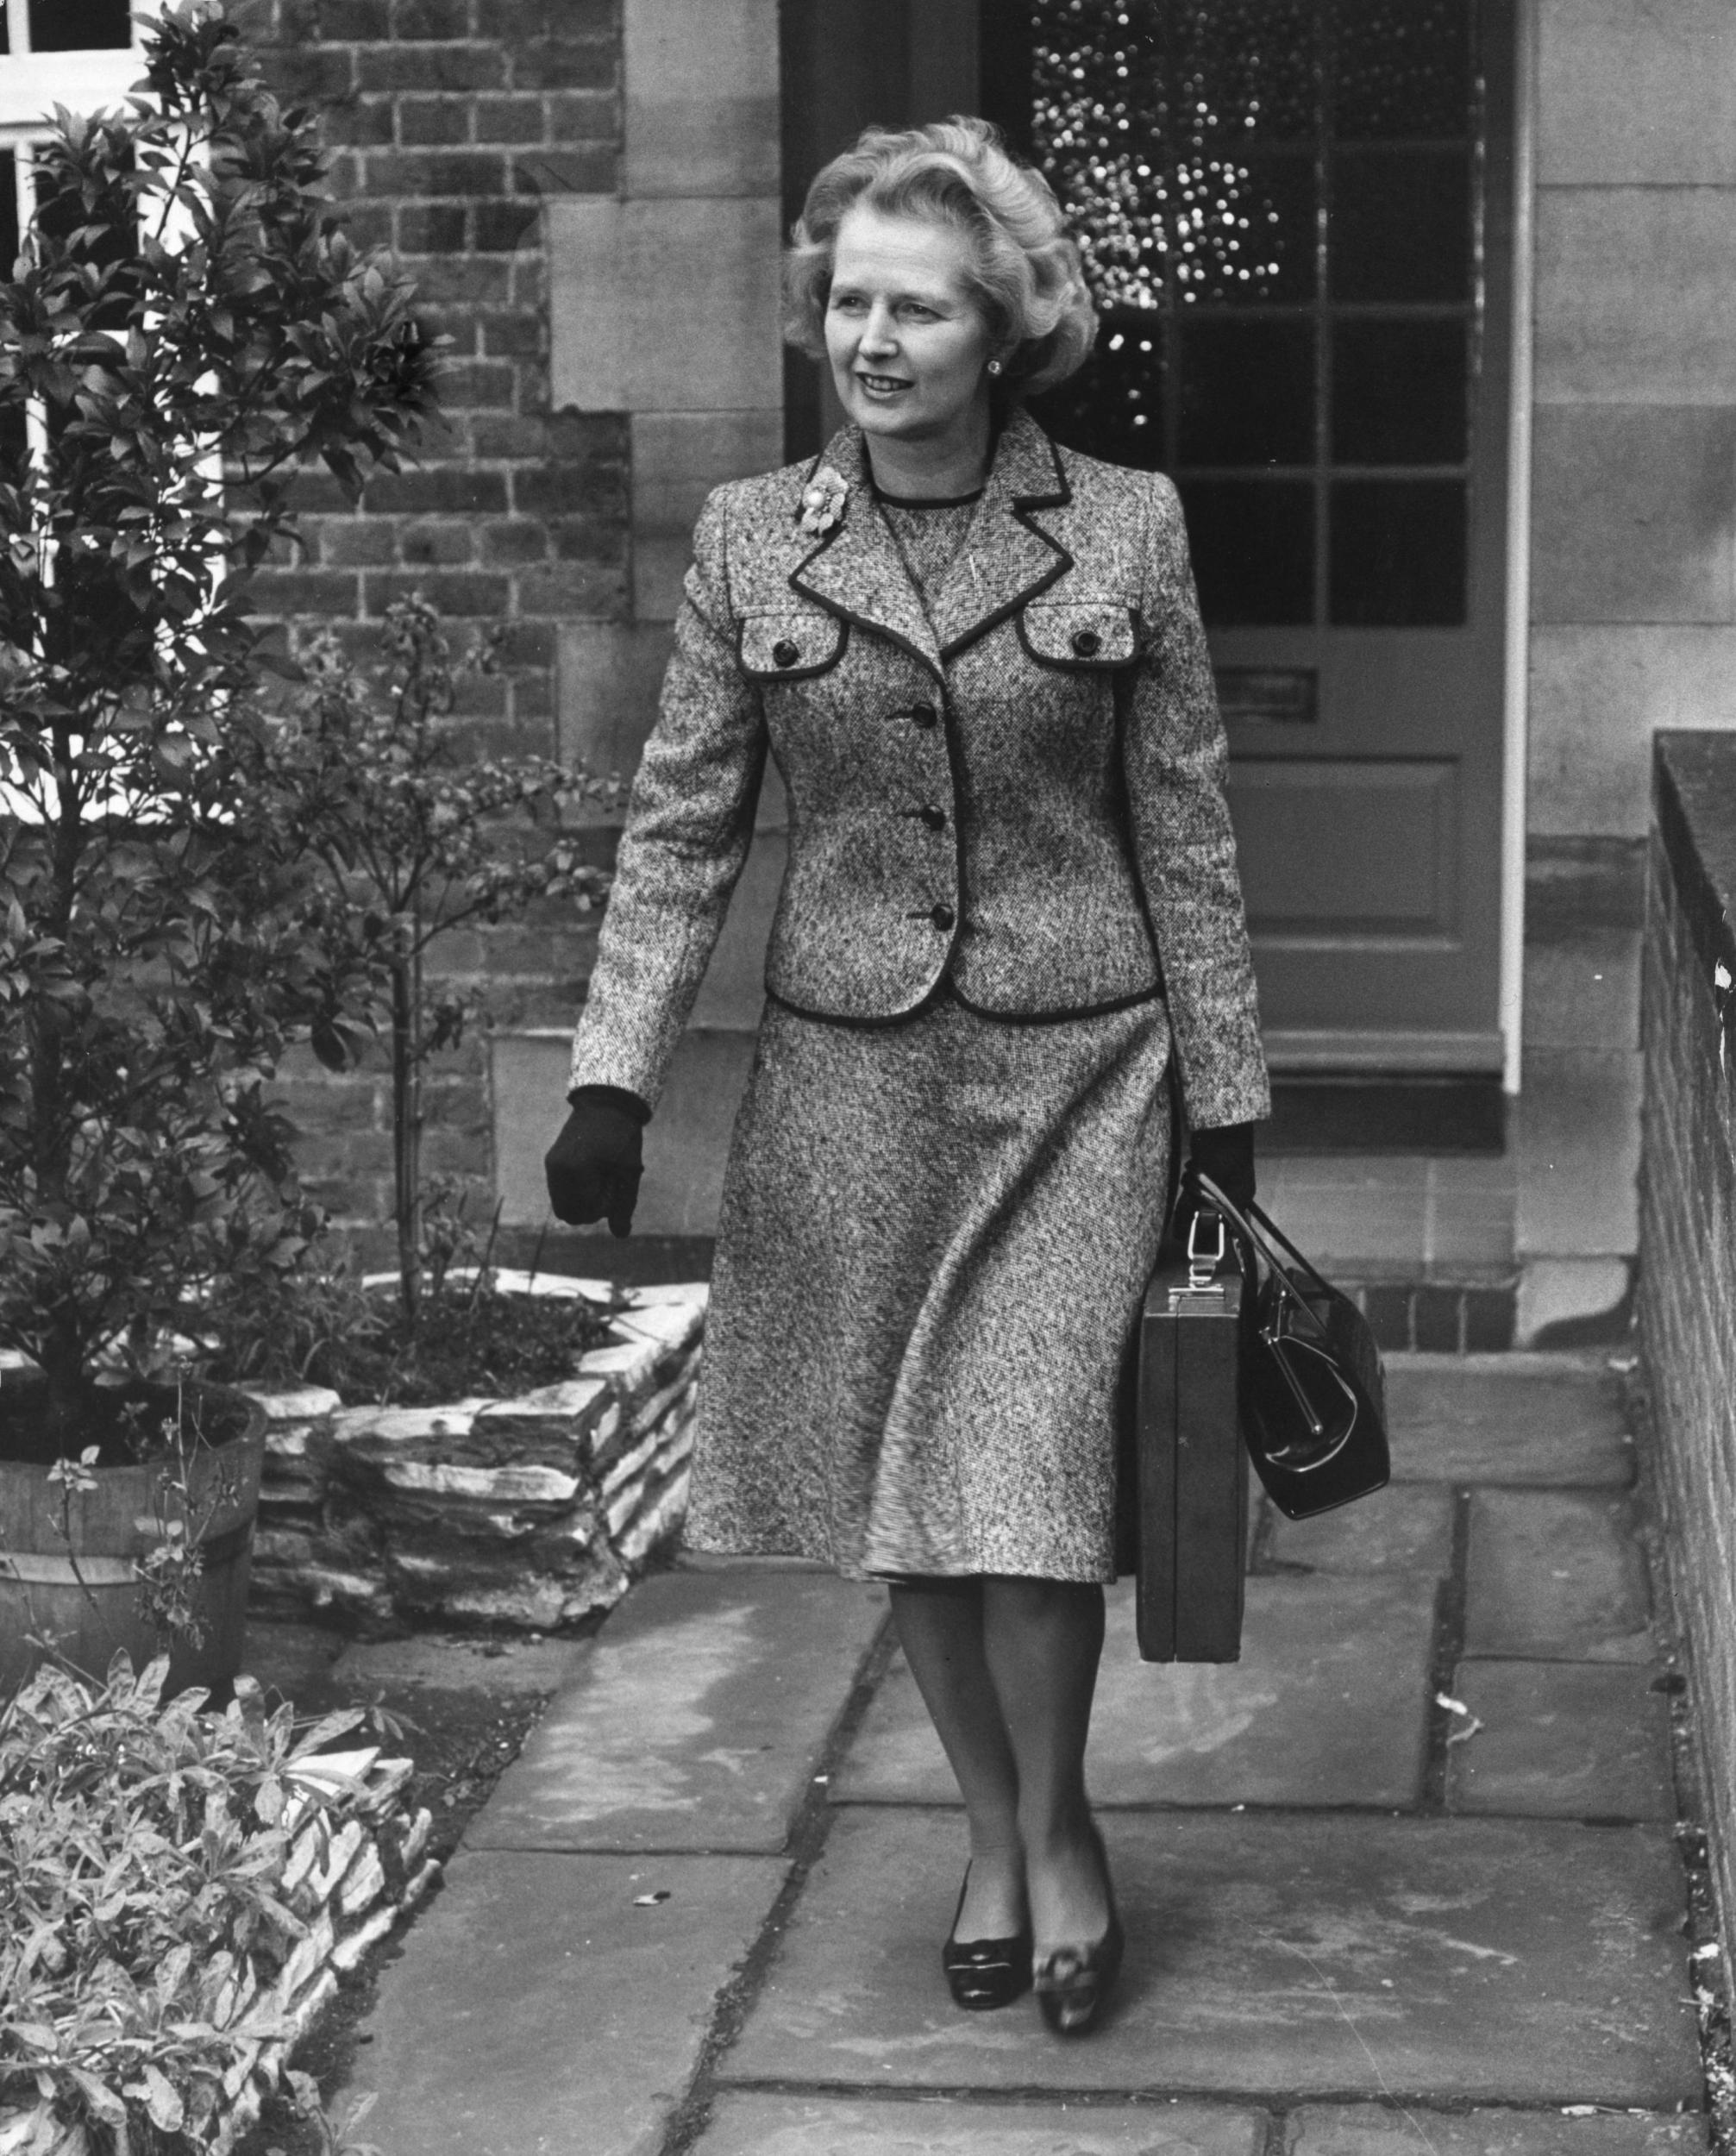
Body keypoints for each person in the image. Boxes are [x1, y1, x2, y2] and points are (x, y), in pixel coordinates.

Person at [544, 116, 1269, 2037]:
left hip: (1077, 1071)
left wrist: (1230, 1089)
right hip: (848, 1081)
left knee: (1025, 1486)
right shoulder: (747, 541)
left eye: (915, 307)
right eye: (846, 301)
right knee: (906, 1504)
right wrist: (609, 1072)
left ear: (1000, 325)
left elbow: (1179, 821)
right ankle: (989, 1829)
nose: (871, 339)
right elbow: (681, 827)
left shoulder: (1124, 525)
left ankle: (1062, 1831)